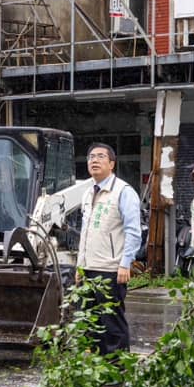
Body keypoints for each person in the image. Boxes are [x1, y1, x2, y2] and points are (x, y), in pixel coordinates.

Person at [76, 142, 142, 355]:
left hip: (111, 269)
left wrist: (125, 264)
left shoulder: (123, 192)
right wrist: (80, 265)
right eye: (91, 157)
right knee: (92, 323)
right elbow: (85, 232)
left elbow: (133, 231)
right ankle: (99, 366)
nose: (94, 160)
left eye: (100, 156)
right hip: (89, 268)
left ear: (112, 164)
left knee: (112, 324)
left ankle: (117, 367)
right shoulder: (88, 193)